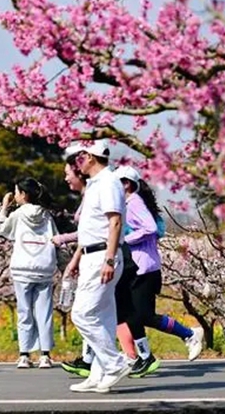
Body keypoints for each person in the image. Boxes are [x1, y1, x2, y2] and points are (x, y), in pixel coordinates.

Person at [54, 156, 159, 379]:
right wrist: (72, 254)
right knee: (105, 313)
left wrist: (113, 254)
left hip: (122, 262)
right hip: (99, 257)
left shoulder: (119, 195)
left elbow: (115, 227)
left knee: (91, 314)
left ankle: (118, 360)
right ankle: (95, 367)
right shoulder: (92, 193)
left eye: (68, 173)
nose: (65, 178)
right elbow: (89, 233)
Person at [114, 166, 204, 366]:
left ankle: (189, 334)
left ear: (126, 184)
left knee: (143, 315)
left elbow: (152, 228)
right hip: (134, 266)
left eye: (116, 182)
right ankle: (139, 357)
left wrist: (125, 239)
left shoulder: (134, 202)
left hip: (143, 267)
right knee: (128, 313)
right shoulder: (128, 203)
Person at [63, 139, 133, 393]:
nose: (77, 162)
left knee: (81, 314)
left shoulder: (108, 183)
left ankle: (115, 363)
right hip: (93, 255)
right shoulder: (96, 184)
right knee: (103, 318)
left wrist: (109, 260)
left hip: (103, 255)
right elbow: (90, 228)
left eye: (80, 157)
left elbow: (115, 222)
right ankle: (98, 374)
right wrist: (78, 258)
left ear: (91, 158)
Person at [0, 178, 58, 369]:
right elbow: (56, 240)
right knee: (44, 312)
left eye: (16, 192)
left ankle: (24, 355)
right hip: (44, 268)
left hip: (22, 269)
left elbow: (0, 230)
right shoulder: (47, 216)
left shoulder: (18, 214)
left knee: (24, 311)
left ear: (23, 195)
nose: (14, 195)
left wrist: (4, 208)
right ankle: (45, 355)